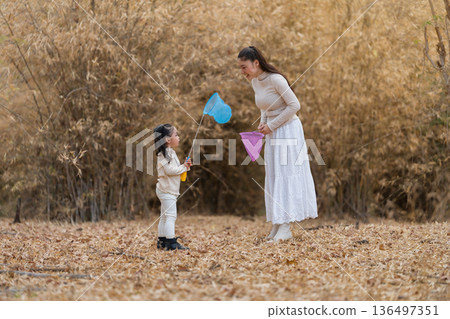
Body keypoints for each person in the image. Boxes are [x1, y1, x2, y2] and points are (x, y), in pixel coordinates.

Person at [237, 46, 318, 242]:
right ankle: (278, 223)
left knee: (285, 173)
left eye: (244, 67)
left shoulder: (276, 79)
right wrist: (263, 121)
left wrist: (271, 125)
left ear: (256, 63)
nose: (243, 72)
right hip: (273, 132)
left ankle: (286, 227)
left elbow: (294, 106)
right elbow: (266, 106)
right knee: (274, 175)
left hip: (288, 130)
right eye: (240, 68)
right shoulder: (255, 81)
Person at [153, 124, 192, 250]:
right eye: (176, 135)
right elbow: (170, 170)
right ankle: (171, 243)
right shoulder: (162, 155)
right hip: (166, 190)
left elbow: (175, 169)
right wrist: (182, 167)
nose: (178, 137)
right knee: (170, 216)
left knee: (164, 216)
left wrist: (185, 166)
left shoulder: (170, 152)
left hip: (168, 190)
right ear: (167, 140)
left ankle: (162, 240)